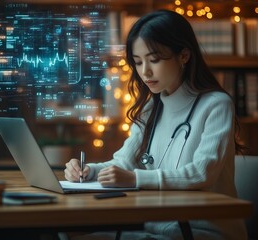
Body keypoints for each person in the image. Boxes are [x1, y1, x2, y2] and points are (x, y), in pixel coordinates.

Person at [64, 9, 247, 240]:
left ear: (184, 56)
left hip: (203, 231)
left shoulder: (216, 105)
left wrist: (136, 179)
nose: (145, 72)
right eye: (138, 62)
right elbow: (124, 162)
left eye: (154, 60)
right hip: (154, 229)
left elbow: (202, 173)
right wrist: (89, 172)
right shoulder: (151, 107)